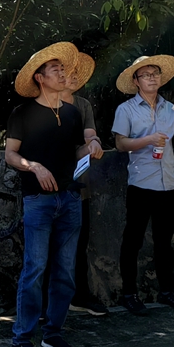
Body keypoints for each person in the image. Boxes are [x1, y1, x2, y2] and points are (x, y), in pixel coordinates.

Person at [4, 42, 102, 347]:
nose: (62, 74)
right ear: (40, 77)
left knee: (65, 270)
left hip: (70, 198)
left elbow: (76, 151)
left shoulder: (73, 113)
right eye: (56, 70)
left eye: (63, 69)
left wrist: (91, 148)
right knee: (34, 268)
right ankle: (21, 339)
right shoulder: (22, 113)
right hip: (38, 200)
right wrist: (33, 166)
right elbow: (10, 154)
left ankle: (53, 332)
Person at [111, 54, 174, 316]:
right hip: (141, 182)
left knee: (164, 241)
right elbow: (120, 144)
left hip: (168, 183)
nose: (152, 78)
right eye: (146, 75)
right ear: (136, 81)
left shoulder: (171, 108)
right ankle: (129, 294)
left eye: (155, 74)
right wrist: (148, 140)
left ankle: (167, 291)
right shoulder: (126, 109)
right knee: (133, 240)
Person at [60, 53, 106, 316]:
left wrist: (95, 143)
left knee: (80, 241)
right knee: (47, 245)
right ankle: (44, 302)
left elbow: (90, 135)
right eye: (69, 71)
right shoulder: (44, 105)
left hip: (80, 184)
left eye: (78, 72)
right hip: (49, 185)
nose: (74, 77)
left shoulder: (83, 105)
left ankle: (79, 295)